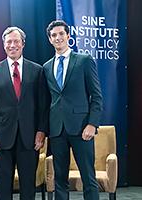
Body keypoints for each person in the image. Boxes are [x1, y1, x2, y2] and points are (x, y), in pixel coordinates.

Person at [0, 27, 49, 200]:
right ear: (4, 45)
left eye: (16, 41)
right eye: (9, 42)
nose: (12, 45)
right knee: (2, 186)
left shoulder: (37, 70)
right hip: (2, 137)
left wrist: (41, 131)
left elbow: (43, 105)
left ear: (23, 44)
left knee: (28, 186)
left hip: (30, 138)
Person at [43, 20, 103, 200]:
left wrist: (92, 124)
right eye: (54, 35)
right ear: (50, 39)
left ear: (68, 36)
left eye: (61, 34)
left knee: (88, 177)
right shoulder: (46, 67)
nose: (58, 37)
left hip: (82, 128)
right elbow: (49, 100)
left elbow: (97, 96)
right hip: (57, 130)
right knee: (59, 179)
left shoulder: (84, 60)